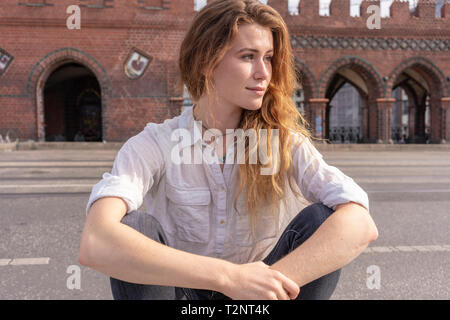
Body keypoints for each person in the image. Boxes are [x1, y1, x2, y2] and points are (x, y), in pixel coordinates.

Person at [79, 0, 378, 300]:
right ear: (206, 61)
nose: (264, 73)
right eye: (248, 56)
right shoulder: (155, 143)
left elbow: (361, 224)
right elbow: (96, 241)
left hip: (259, 301)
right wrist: (228, 278)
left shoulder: (283, 142)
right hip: (183, 300)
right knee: (134, 226)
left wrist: (263, 287)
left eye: (269, 58)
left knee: (323, 219)